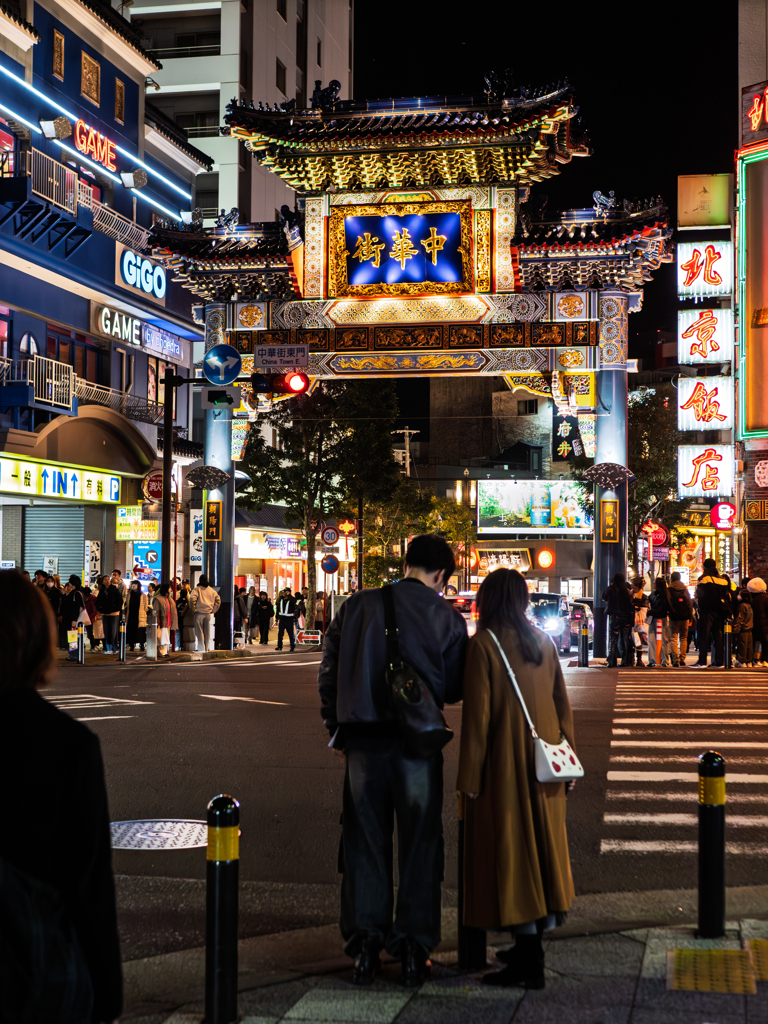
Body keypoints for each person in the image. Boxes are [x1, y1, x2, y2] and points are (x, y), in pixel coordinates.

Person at [318, 534, 467, 987]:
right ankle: (414, 948)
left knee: (364, 840)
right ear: (441, 574)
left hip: (362, 742)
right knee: (421, 843)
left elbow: (328, 671)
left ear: (406, 562)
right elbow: (455, 688)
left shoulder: (357, 605)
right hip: (417, 748)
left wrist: (335, 728)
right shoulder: (446, 616)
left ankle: (365, 945)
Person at [0, 570, 122, 1022]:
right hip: (34, 970)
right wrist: (107, 991)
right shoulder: (67, 746)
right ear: (39, 638)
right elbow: (88, 882)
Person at [457, 568, 575, 989]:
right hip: (547, 764)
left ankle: (529, 962)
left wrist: (469, 777)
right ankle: (529, 946)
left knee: (513, 854)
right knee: (542, 853)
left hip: (506, 766)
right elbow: (562, 704)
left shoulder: (483, 646)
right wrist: (568, 758)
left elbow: (478, 721)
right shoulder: (542, 641)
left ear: (487, 601)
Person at [691, 559, 732, 669]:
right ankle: (719, 661)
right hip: (719, 611)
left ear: (705, 566)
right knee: (717, 635)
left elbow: (699, 595)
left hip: (706, 611)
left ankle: (702, 661)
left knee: (704, 635)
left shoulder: (704, 579)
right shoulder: (723, 580)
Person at [601, 573, 633, 667]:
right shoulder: (626, 591)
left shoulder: (611, 589)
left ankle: (612, 661)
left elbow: (604, 596)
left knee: (613, 639)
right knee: (626, 639)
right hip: (626, 617)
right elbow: (630, 603)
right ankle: (626, 661)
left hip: (615, 617)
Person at [190, 574, 221, 653]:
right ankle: (206, 648)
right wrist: (213, 610)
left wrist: (194, 609)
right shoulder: (212, 590)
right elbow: (218, 600)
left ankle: (201, 648)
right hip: (208, 613)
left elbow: (192, 599)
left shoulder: (197, 589)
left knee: (199, 632)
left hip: (199, 613)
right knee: (207, 632)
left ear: (199, 580)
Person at [60, 576, 87, 662]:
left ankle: (74, 654)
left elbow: (76, 608)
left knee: (73, 637)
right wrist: (65, 594)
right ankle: (74, 654)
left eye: (70, 582)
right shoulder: (75, 593)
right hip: (72, 619)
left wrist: (74, 620)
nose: (69, 584)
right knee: (73, 637)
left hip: (73, 620)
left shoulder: (76, 594)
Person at [647, 577, 672, 668]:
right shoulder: (654, 594)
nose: (653, 584)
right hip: (656, 618)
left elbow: (665, 607)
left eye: (655, 583)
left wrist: (650, 611)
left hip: (661, 619)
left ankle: (663, 660)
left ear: (658, 584)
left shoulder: (664, 594)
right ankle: (653, 660)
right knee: (652, 639)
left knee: (663, 640)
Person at [96, 574, 122, 654]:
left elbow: (120, 601)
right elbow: (97, 602)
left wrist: (116, 608)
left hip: (114, 614)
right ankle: (108, 648)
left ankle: (114, 648)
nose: (107, 581)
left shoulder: (114, 589)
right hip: (105, 614)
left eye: (108, 579)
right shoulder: (101, 591)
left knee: (113, 632)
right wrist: (100, 609)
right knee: (106, 631)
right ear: (103, 582)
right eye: (105, 580)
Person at [629, 578, 649, 668]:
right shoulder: (631, 594)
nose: (631, 584)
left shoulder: (643, 596)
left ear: (636, 585)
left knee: (639, 639)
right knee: (632, 639)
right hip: (633, 620)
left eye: (632, 583)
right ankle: (633, 658)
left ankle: (638, 659)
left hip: (639, 621)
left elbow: (647, 609)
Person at [153, 583, 176, 658]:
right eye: (169, 588)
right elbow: (156, 611)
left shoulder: (169, 598)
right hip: (161, 621)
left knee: (166, 637)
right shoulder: (158, 599)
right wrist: (157, 621)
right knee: (161, 637)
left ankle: (165, 652)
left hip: (168, 620)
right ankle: (161, 652)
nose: (171, 589)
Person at [124, 580, 148, 652]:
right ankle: (131, 645)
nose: (133, 586)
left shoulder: (143, 595)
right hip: (131, 615)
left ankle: (142, 645)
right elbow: (127, 605)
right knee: (131, 630)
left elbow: (145, 607)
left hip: (140, 615)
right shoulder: (129, 595)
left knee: (140, 631)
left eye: (135, 584)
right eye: (132, 584)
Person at [733, 589, 754, 668]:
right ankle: (749, 661)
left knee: (742, 645)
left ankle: (742, 661)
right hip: (749, 628)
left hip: (743, 629)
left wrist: (735, 629)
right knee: (749, 646)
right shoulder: (749, 605)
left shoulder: (742, 606)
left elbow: (740, 619)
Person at [275, 587, 297, 651]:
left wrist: (289, 595)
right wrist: (277, 618)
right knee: (280, 634)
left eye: (287, 592)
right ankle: (279, 646)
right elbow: (278, 608)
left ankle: (292, 646)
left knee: (290, 634)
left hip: (289, 619)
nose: (285, 593)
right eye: (284, 592)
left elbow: (294, 601)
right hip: (282, 619)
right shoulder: (281, 599)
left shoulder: (291, 599)